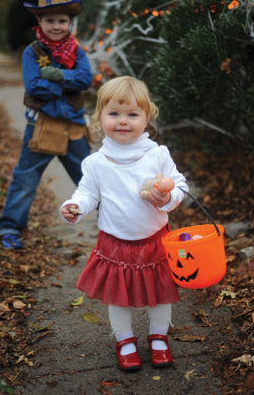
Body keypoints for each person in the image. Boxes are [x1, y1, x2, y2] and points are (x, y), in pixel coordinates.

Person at [60, 76, 189, 371]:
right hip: (115, 242)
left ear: (146, 118)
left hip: (154, 239)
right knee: (118, 297)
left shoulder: (156, 155)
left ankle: (158, 336)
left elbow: (180, 186)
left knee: (160, 292)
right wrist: (74, 206)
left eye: (132, 114)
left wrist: (165, 198)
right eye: (114, 113)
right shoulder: (96, 162)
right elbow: (88, 193)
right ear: (100, 116)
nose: (123, 121)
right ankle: (125, 339)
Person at [0, 0, 93, 250]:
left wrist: (58, 76)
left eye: (62, 20)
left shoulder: (77, 51)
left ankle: (117, 226)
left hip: (73, 126)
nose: (56, 26)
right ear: (39, 22)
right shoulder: (32, 52)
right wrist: (67, 85)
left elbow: (86, 79)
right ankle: (9, 227)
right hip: (41, 125)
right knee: (25, 178)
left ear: (69, 22)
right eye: (50, 20)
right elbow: (34, 86)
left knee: (92, 177)